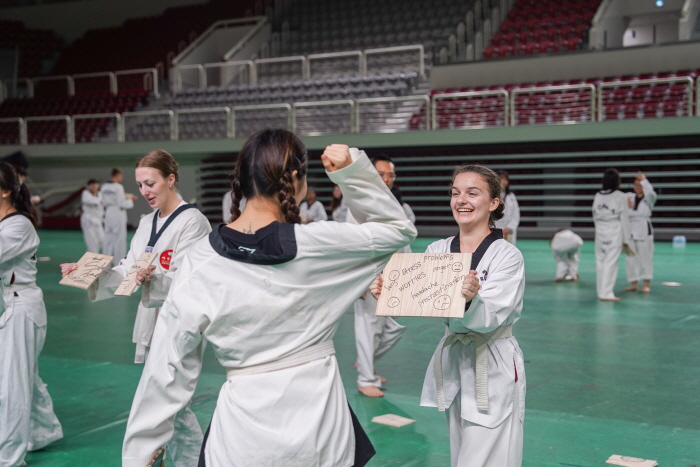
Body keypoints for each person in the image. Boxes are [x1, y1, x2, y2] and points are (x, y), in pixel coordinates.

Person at [120, 130, 416, 467]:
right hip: (319, 428)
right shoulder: (320, 245)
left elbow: (167, 366)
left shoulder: (202, 258)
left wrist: (142, 452)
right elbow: (398, 228)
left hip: (240, 437)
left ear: (242, 181)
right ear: (294, 178)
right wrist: (350, 171)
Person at [61, 151, 211, 467]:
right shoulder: (145, 222)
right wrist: (90, 273)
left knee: (166, 403)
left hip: (180, 324)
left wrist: (152, 280)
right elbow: (129, 269)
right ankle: (196, 460)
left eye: (151, 183)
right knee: (174, 406)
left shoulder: (193, 222)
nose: (144, 191)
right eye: (140, 184)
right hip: (151, 321)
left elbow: (191, 283)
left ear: (171, 179)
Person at [371, 164, 525, 467]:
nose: (461, 200)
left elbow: (491, 315)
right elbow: (422, 299)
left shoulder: (508, 256)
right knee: (461, 454)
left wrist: (471, 300)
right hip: (456, 362)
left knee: (485, 459)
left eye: (472, 193)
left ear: (494, 203)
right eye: (455, 193)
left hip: (492, 362)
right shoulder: (438, 251)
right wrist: (389, 291)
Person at [0, 162, 63, 467]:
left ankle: (9, 458)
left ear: (3, 192)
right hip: (14, 306)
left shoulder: (18, 225)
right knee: (27, 376)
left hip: (22, 307)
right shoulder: (5, 223)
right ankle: (44, 431)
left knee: (13, 386)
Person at [349, 153, 414, 398]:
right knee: (369, 326)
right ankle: (365, 378)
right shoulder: (360, 201)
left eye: (390, 175)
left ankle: (368, 364)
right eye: (381, 174)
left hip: (398, 271)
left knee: (395, 324)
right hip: (372, 275)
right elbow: (355, 242)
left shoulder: (394, 202)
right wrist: (361, 278)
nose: (386, 179)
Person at [592, 168, 633, 302]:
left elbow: (594, 215)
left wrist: (600, 230)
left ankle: (601, 291)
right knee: (610, 263)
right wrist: (627, 240)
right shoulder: (620, 196)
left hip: (600, 232)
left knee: (600, 262)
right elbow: (625, 219)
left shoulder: (598, 195)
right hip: (614, 232)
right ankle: (606, 293)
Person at [624, 172, 656, 293]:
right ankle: (633, 283)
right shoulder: (628, 197)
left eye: (640, 185)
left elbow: (651, 193)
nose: (637, 187)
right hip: (630, 229)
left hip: (644, 229)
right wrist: (623, 203)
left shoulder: (649, 199)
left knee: (645, 257)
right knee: (630, 258)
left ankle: (646, 283)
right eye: (635, 185)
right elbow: (616, 199)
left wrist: (644, 180)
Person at [101, 168, 137, 266]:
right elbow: (122, 203)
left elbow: (103, 200)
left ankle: (104, 264)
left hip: (108, 214)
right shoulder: (118, 187)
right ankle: (119, 264)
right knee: (119, 241)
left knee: (107, 240)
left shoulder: (104, 187)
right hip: (117, 214)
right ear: (118, 175)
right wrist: (131, 201)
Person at [495, 170, 519, 244]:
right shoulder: (491, 196)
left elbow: (516, 214)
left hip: (508, 230)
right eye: (501, 179)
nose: (504, 181)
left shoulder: (511, 196)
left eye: (506, 179)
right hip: (495, 229)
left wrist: (508, 228)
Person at [80, 178, 104, 253]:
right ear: (88, 186)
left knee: (102, 240)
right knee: (92, 243)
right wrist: (99, 201)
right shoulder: (85, 193)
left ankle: (89, 258)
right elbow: (89, 201)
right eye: (91, 185)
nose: (94, 186)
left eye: (95, 184)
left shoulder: (100, 194)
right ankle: (90, 262)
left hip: (98, 221)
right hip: (88, 221)